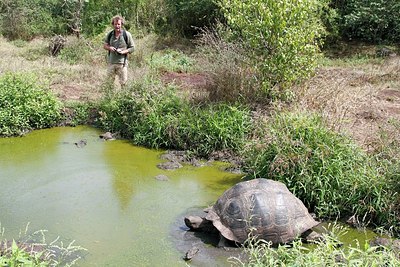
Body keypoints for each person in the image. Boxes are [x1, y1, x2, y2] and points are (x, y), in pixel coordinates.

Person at [103, 15, 135, 88]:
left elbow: (132, 48)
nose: (117, 26)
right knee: (109, 84)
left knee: (124, 84)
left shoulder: (126, 34)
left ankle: (123, 98)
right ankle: (109, 98)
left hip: (122, 64)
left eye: (118, 24)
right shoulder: (110, 34)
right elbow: (105, 46)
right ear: (113, 24)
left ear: (121, 24)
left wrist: (123, 52)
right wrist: (110, 48)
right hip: (111, 63)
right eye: (115, 24)